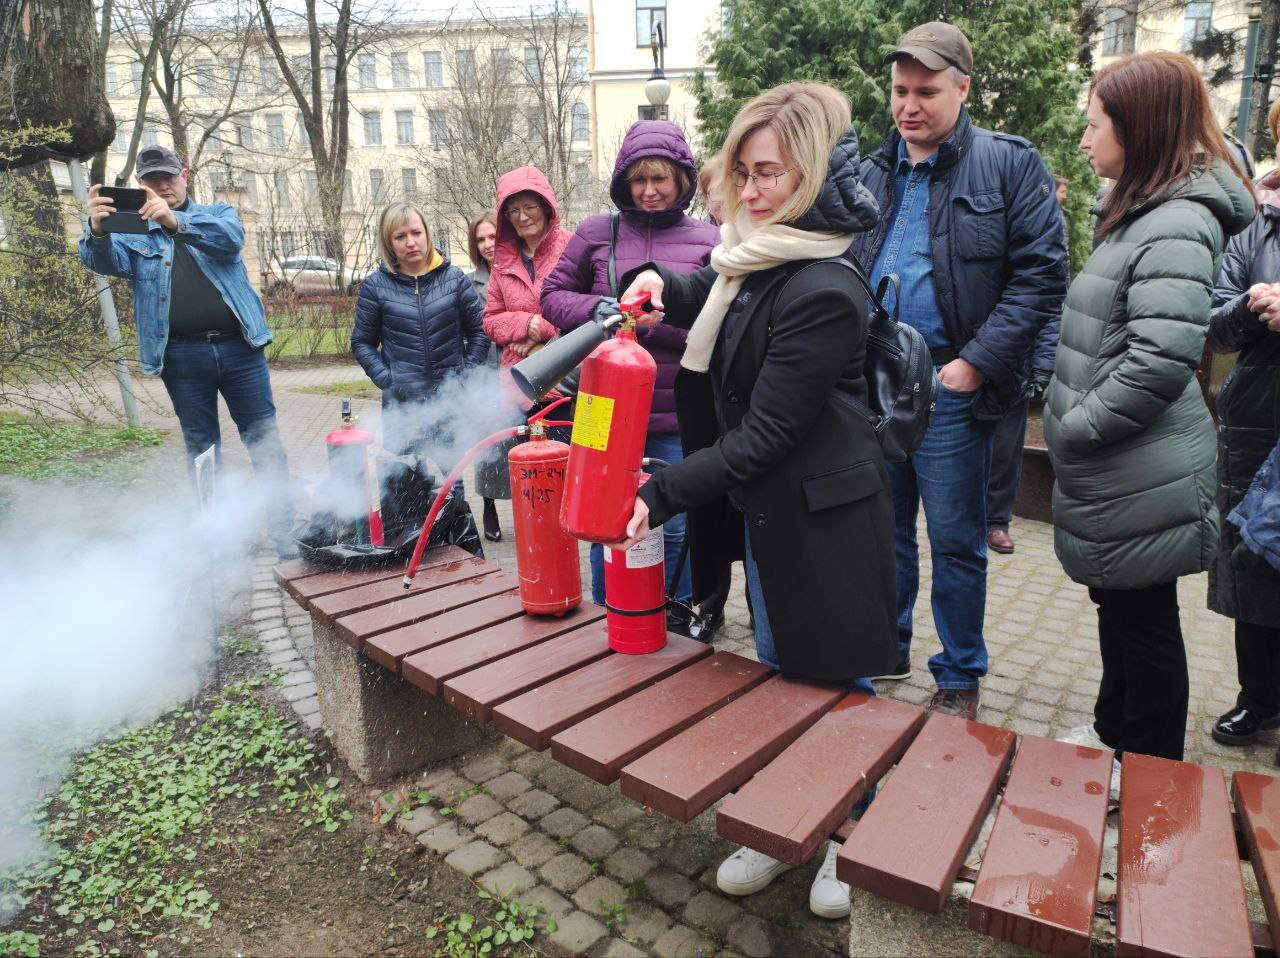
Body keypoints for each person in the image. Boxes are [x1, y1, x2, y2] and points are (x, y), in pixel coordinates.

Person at [614, 82, 893, 920]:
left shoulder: (824, 285)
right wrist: (665, 281)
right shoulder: (757, 254)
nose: (751, 188)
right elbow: (720, 297)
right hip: (771, 515)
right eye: (741, 170)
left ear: (808, 173)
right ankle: (783, 824)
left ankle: (855, 837)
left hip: (823, 521)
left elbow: (768, 434)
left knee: (835, 685)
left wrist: (661, 491)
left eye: (770, 172)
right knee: (780, 674)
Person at [850, 22, 1069, 718]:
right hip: (874, 386)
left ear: (963, 88)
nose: (909, 105)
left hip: (951, 386)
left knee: (954, 540)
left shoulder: (1009, 165)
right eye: (899, 91)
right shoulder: (870, 171)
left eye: (926, 92)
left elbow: (1041, 278)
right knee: (881, 535)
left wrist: (976, 364)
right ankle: (885, 646)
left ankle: (959, 673)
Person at [1046, 51, 1254, 764]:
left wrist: (1074, 427)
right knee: (1124, 609)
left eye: (1095, 122)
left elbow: (1158, 361)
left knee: (1144, 623)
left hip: (1138, 462)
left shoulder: (1175, 223)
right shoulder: (1142, 213)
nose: (1084, 138)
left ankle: (1149, 772)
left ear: (1137, 130)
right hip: (1126, 462)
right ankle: (1115, 737)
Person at [542, 120, 719, 635]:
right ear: (623, 181)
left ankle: (678, 618)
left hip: (674, 406)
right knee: (603, 512)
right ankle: (611, 612)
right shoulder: (598, 233)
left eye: (660, 179)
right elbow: (552, 296)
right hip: (604, 405)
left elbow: (722, 319)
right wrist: (603, 311)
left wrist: (670, 319)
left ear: (682, 180)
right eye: (638, 180)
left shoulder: (708, 239)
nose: (649, 191)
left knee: (675, 515)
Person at [79, 144, 296, 558]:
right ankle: (218, 537)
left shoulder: (217, 214)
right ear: (140, 184)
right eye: (151, 180)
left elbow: (231, 241)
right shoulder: (131, 230)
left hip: (240, 349)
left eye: (169, 176)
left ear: (185, 174)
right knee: (201, 449)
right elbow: (102, 261)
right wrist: (98, 229)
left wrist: (174, 220)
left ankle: (286, 534)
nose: (162, 185)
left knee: (264, 441)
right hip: (180, 356)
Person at [1206, 97, 1280, 751]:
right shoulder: (1256, 224)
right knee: (1253, 563)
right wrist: (1255, 309)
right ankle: (1258, 700)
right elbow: (1212, 314)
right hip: (1259, 420)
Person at [352, 202, 489, 469]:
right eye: (400, 236)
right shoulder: (376, 287)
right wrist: (388, 380)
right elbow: (362, 342)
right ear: (389, 243)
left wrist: (463, 374)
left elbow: (480, 332)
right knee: (411, 488)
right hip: (404, 408)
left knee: (450, 487)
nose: (410, 242)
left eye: (416, 233)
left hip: (450, 403)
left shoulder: (454, 279)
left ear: (427, 233)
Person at [479, 166, 573, 519]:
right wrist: (526, 323)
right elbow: (490, 320)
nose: (523, 217)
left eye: (530, 206)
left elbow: (584, 313)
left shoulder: (573, 246)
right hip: (517, 388)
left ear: (547, 206)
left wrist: (542, 338)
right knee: (529, 488)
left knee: (562, 482)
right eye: (513, 210)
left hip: (563, 386)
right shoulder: (503, 261)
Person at [985, 175, 1069, 555]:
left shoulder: (1048, 231)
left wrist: (1043, 363)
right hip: (969, 353)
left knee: (1006, 448)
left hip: (1016, 360)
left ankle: (995, 522)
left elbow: (1050, 301)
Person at [466, 209, 508, 540]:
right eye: (480, 239)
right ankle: (489, 507)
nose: (487, 244)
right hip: (485, 376)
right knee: (489, 448)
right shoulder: (470, 283)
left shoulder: (520, 271)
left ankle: (531, 507)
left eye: (492, 236)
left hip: (520, 370)